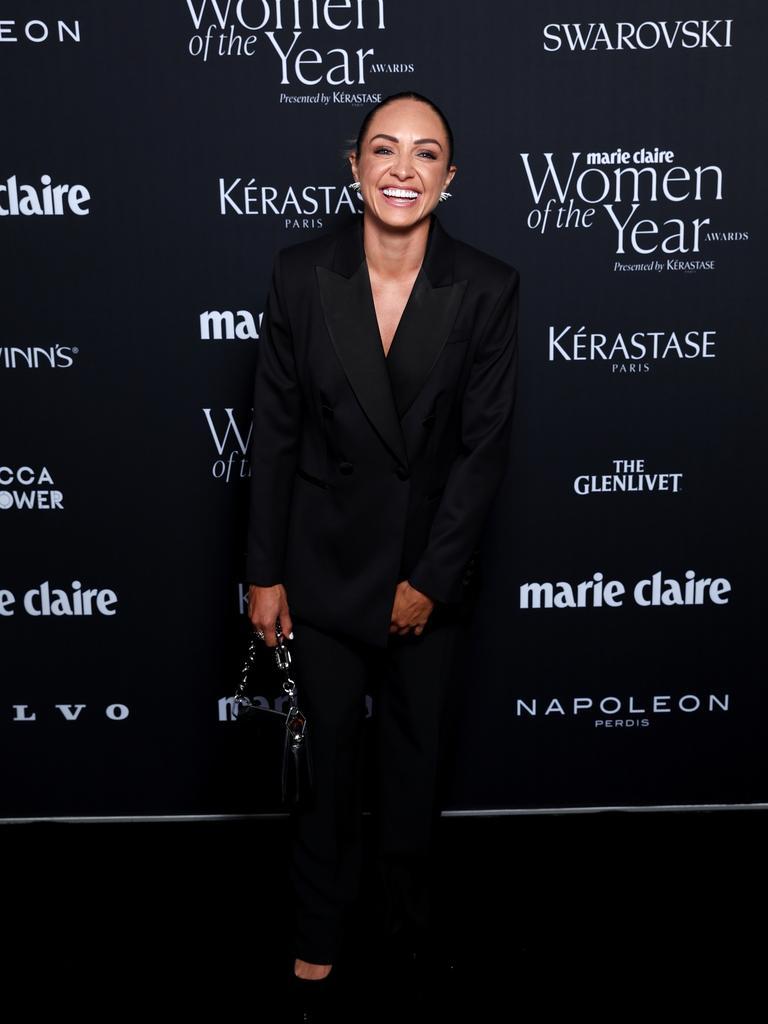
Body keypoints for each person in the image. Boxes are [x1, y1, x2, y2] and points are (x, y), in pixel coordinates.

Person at [245, 90, 520, 1004]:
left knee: (412, 771)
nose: (403, 168)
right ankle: (317, 929)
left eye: (426, 154)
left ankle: (405, 929)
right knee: (324, 771)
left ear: (452, 177)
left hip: (425, 575)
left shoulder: (486, 286)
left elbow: (483, 452)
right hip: (320, 567)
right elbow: (274, 433)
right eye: (384, 150)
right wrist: (265, 574)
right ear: (353, 164)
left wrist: (430, 581)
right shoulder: (297, 272)